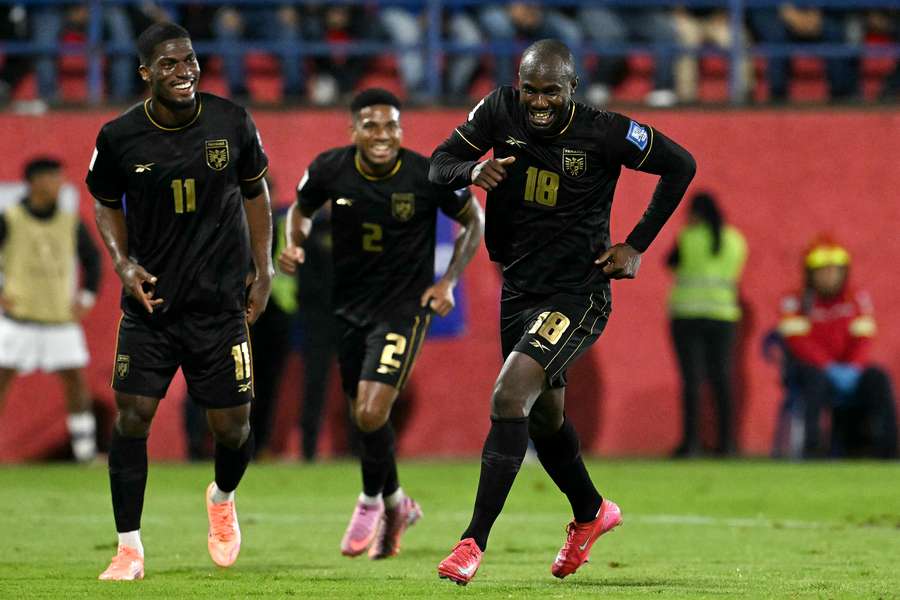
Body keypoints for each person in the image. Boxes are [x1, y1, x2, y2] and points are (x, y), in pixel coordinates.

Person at [429, 39, 696, 585]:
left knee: (508, 397)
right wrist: (471, 174)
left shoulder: (605, 131)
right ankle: (591, 512)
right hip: (519, 289)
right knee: (545, 418)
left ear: (573, 88)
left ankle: (472, 542)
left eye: (551, 91)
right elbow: (438, 164)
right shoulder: (497, 109)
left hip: (578, 292)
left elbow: (681, 166)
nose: (539, 102)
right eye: (531, 90)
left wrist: (636, 243)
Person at [86, 22, 273, 580]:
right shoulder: (119, 136)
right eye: (168, 64)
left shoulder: (231, 121)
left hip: (220, 307)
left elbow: (255, 192)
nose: (183, 71)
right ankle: (128, 548)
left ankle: (220, 498)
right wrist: (122, 263)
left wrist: (263, 270)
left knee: (233, 430)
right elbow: (102, 200)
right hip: (152, 306)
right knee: (133, 416)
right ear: (146, 72)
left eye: (189, 60)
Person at [279, 88, 484, 560]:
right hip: (348, 308)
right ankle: (399, 504)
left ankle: (371, 501)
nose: (382, 135)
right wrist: (295, 243)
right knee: (363, 415)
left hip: (403, 308)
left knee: (370, 413)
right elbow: (301, 209)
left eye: (391, 126)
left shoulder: (427, 173)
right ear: (352, 131)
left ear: (401, 131)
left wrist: (449, 280)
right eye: (371, 126)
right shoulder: (330, 167)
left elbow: (474, 220)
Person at [0, 157, 101, 463]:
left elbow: (93, 259)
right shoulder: (11, 218)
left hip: (59, 318)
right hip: (19, 318)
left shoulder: (70, 222)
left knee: (75, 382)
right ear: (35, 182)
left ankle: (85, 453)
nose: (59, 184)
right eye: (53, 178)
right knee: (2, 379)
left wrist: (87, 296)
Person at [777, 237, 897, 458]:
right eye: (823, 271)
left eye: (835, 271)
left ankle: (888, 450)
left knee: (878, 378)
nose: (829, 276)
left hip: (850, 369)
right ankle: (812, 449)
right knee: (814, 380)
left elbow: (863, 338)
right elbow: (798, 342)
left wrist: (853, 367)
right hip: (811, 370)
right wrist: (828, 367)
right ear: (810, 273)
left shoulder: (856, 299)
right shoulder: (795, 301)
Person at [666, 192, 747, 457]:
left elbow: (671, 262)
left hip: (687, 315)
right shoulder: (736, 240)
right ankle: (728, 444)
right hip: (723, 316)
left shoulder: (688, 237)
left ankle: (691, 444)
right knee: (722, 379)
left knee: (692, 381)